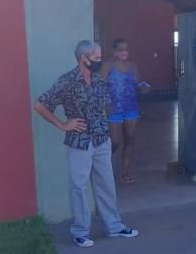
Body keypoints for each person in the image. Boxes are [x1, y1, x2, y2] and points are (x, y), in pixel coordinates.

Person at [33, 40, 139, 248]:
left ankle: (114, 226)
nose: (100, 61)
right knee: (78, 187)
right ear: (84, 58)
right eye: (97, 58)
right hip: (80, 142)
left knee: (106, 183)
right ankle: (80, 231)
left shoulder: (99, 80)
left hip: (101, 140)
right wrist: (63, 124)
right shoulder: (67, 81)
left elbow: (105, 105)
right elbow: (40, 104)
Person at [101, 39, 150, 184]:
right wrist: (105, 105)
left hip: (131, 108)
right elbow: (99, 86)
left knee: (130, 139)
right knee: (115, 141)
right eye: (120, 49)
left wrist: (144, 87)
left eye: (126, 49)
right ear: (114, 51)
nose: (124, 52)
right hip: (114, 108)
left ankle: (125, 172)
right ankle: (101, 164)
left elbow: (137, 84)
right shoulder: (107, 66)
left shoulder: (132, 66)